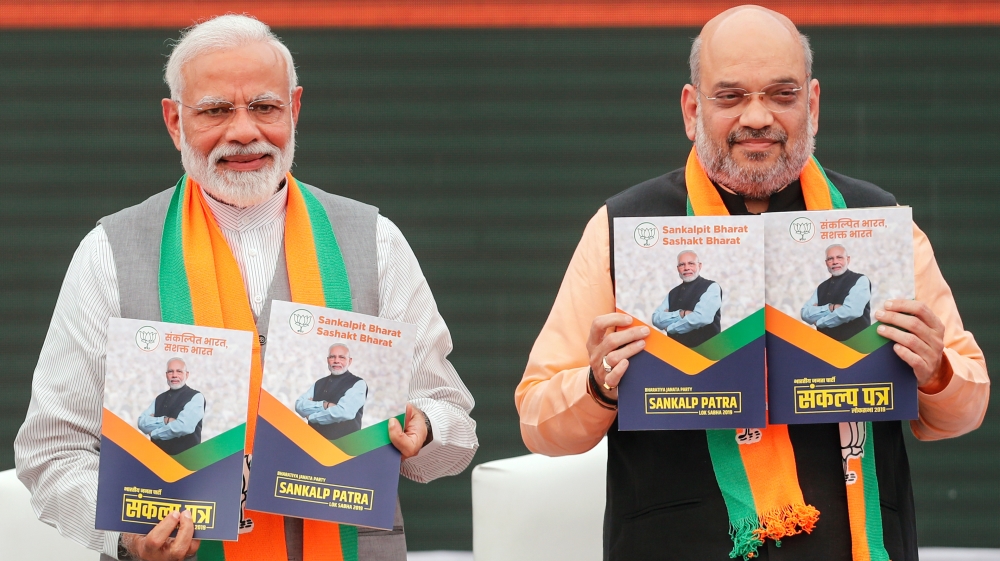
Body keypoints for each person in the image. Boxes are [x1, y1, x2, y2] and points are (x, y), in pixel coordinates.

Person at [516, 6, 989, 561]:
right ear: (692, 109)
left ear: (812, 105)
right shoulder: (625, 230)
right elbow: (538, 420)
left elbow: (965, 407)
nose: (758, 117)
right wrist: (598, 385)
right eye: (731, 96)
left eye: (782, 95)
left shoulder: (879, 225)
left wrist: (935, 372)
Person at [15, 14, 478, 561]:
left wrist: (425, 428)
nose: (242, 131)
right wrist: (125, 533)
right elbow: (52, 449)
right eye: (215, 110)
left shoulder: (375, 241)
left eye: (264, 107)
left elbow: (452, 425)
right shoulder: (109, 252)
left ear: (294, 109)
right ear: (174, 120)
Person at [295, 344, 368, 440]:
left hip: (342, 445)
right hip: (313, 442)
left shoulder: (358, 383)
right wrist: (325, 405)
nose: (336, 361)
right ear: (327, 360)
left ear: (349, 361)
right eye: (332, 357)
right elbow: (299, 405)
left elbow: (343, 412)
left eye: (341, 357)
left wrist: (312, 417)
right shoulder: (319, 383)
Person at [650, 250, 723, 347]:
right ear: (678, 269)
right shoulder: (672, 293)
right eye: (682, 265)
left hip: (706, 351)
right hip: (675, 351)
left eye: (691, 263)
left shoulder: (711, 286)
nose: (686, 268)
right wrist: (682, 314)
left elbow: (701, 318)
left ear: (699, 266)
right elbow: (656, 319)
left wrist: (671, 328)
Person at [801, 244, 872, 341]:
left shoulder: (860, 280)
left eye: (839, 257)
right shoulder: (821, 287)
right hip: (825, 345)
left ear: (848, 259)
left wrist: (820, 322)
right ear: (826, 263)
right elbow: (805, 313)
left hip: (856, 345)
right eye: (830, 259)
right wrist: (831, 308)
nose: (835, 262)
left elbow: (851, 311)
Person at [138, 358, 206, 455]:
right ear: (166, 375)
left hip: (184, 460)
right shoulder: (159, 398)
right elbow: (141, 422)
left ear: (187, 375)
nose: (174, 375)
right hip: (156, 457)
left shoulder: (196, 397)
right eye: (170, 371)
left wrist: (154, 433)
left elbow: (183, 427)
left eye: (179, 371)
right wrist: (166, 420)